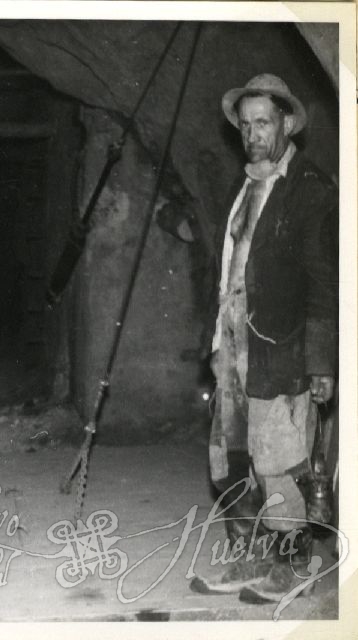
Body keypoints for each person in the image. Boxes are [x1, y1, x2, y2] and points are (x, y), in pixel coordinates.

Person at [190, 74, 337, 603]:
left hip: (282, 349)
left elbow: (325, 283)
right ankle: (249, 557)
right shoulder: (245, 186)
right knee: (232, 458)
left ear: (287, 123)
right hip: (234, 350)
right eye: (245, 125)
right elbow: (229, 273)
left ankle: (293, 565)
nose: (252, 134)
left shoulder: (311, 190)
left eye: (263, 123)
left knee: (278, 460)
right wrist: (216, 344)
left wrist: (321, 362)